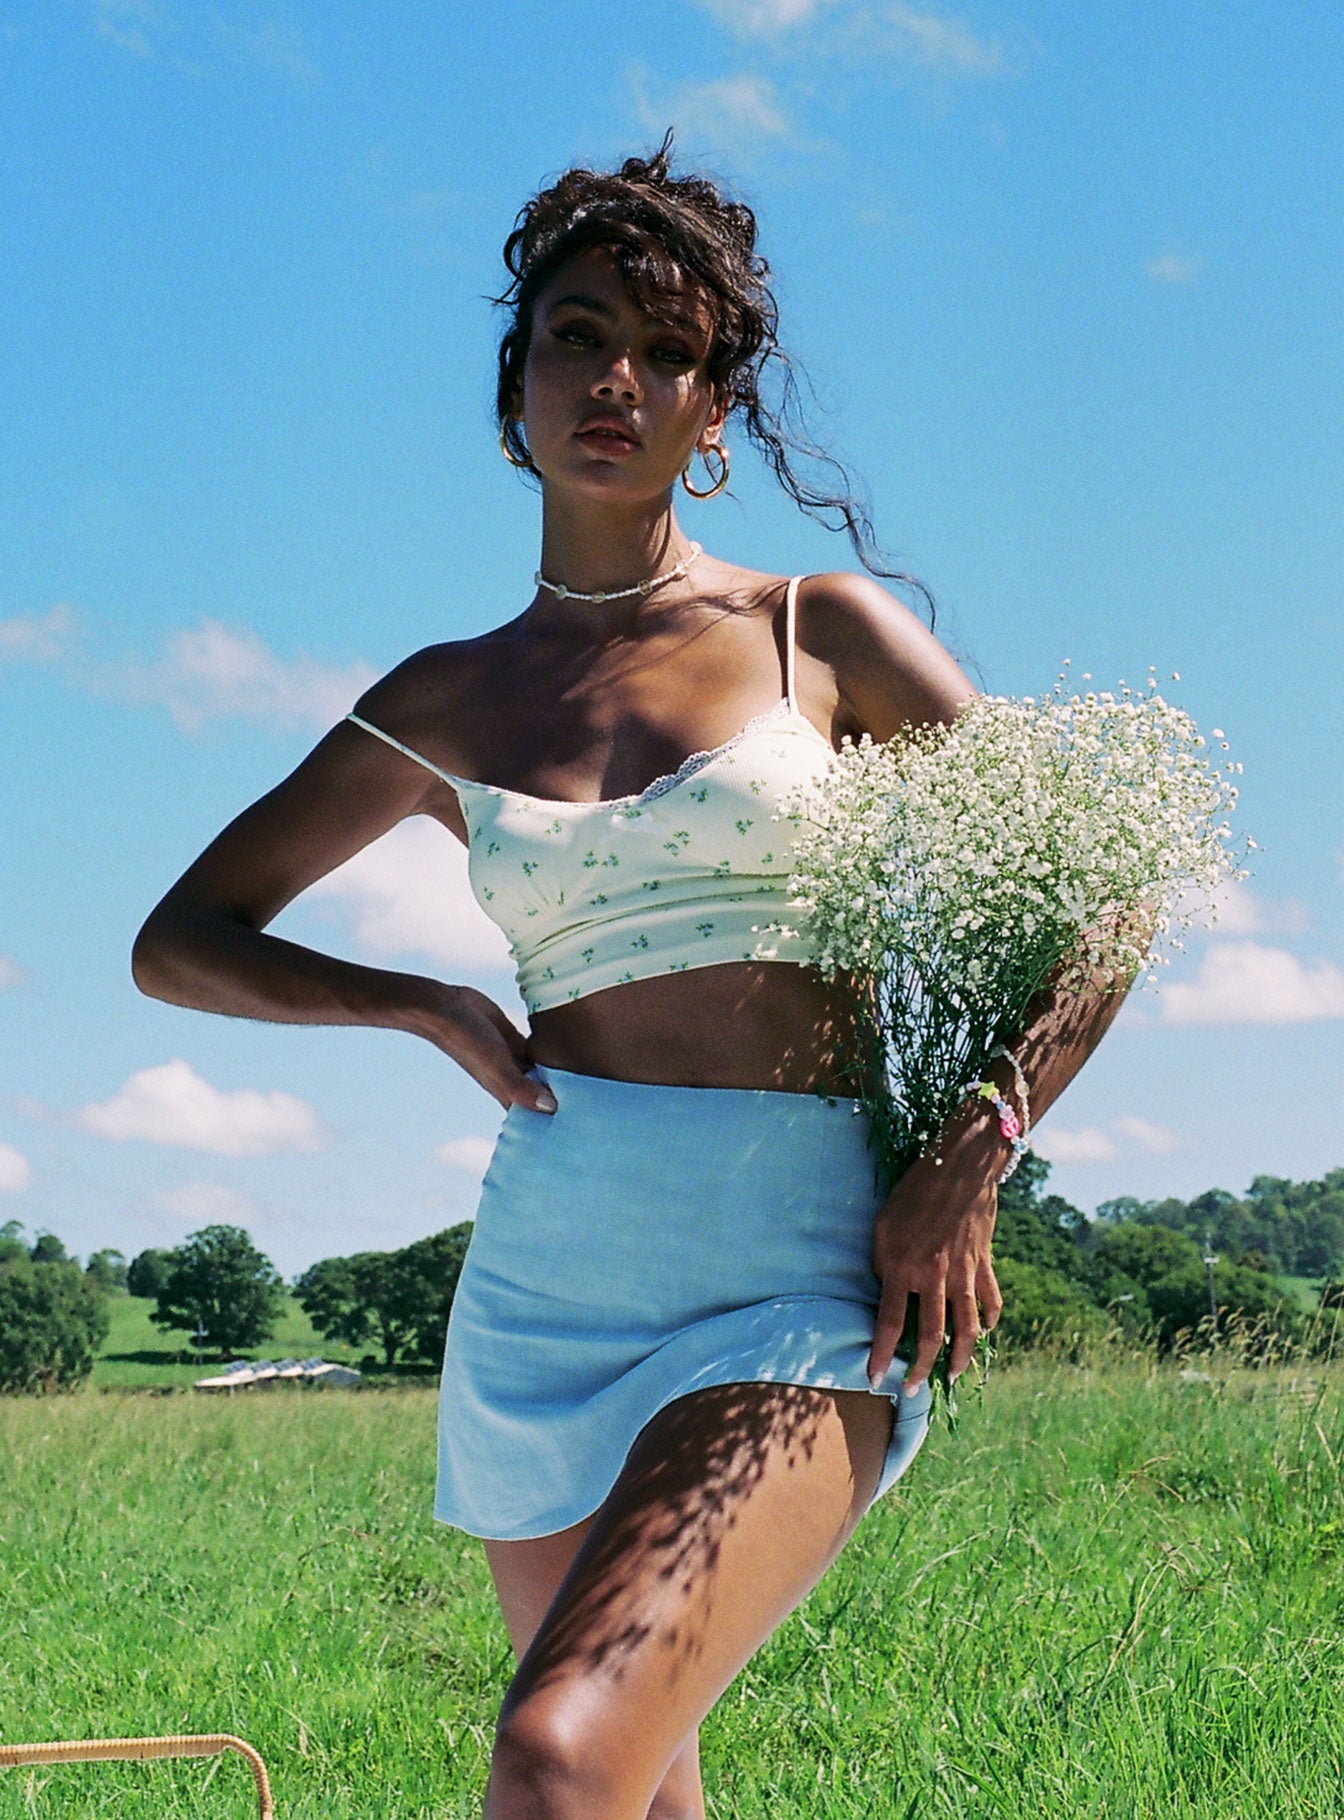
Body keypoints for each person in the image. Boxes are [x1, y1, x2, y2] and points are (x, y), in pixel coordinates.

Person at [134, 140, 1127, 1820]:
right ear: (512, 391)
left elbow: (1101, 889)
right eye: (578, 335)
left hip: (804, 1277)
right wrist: (413, 1001)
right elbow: (181, 942)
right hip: (549, 1284)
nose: (619, 377)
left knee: (553, 1760)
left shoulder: (827, 635)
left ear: (715, 415)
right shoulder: (438, 704)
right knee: (637, 1800)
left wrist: (977, 1149)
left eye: (669, 353)